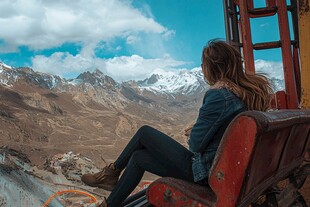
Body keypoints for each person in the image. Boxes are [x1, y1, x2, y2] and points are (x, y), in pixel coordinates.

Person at [81, 39, 273, 207]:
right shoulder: (244, 93)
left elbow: (196, 145)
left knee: (145, 133)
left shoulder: (219, 96)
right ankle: (109, 201)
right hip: (228, 172)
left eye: (203, 65)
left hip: (207, 174)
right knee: (139, 158)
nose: (202, 69)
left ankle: (110, 173)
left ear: (212, 67)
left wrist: (194, 131)